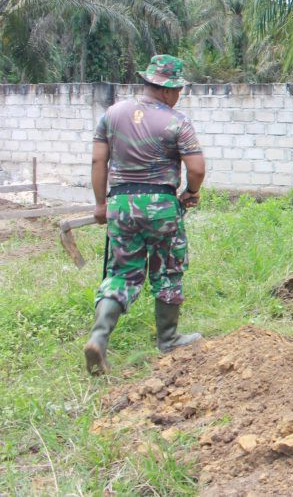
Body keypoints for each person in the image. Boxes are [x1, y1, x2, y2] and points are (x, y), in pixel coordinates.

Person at [84, 54, 206, 375]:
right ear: (166, 90)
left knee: (122, 274)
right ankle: (168, 339)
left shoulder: (112, 115)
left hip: (121, 204)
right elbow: (196, 168)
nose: (178, 95)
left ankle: (98, 338)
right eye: (177, 89)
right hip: (162, 205)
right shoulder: (177, 122)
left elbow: (99, 163)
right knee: (167, 269)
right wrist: (190, 192)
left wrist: (101, 205)